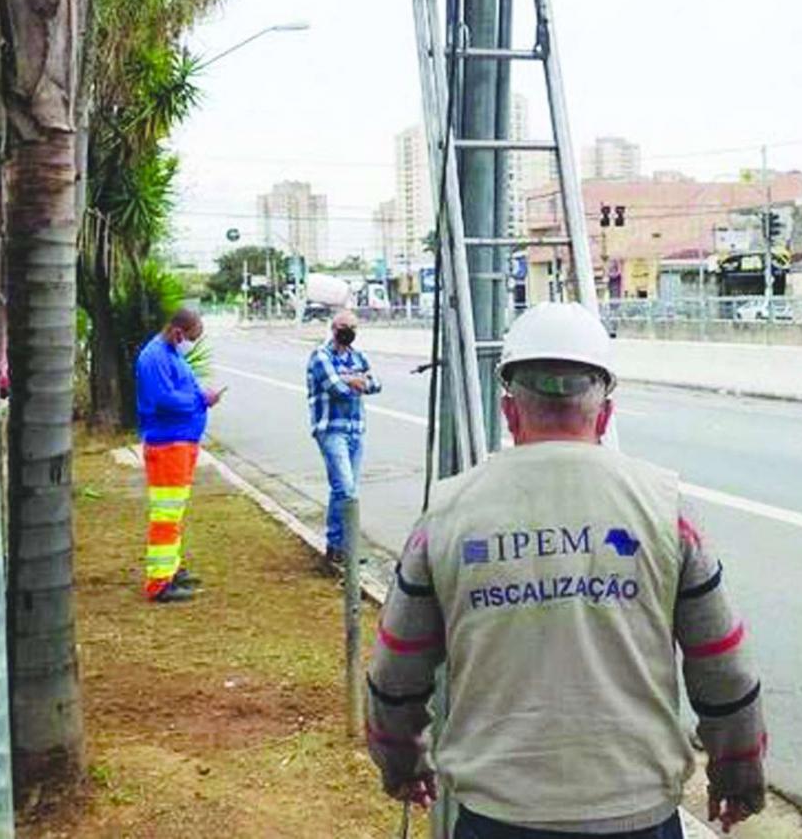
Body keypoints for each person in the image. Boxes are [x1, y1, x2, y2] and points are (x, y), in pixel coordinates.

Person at [366, 302, 767, 838]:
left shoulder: (446, 516)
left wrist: (402, 763)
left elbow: (396, 674)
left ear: (510, 412)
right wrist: (736, 774)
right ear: (604, 413)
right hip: (636, 815)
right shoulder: (665, 510)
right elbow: (724, 670)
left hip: (499, 818)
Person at [135, 308, 225, 603]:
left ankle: (170, 568)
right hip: (168, 444)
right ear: (177, 332)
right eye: (191, 338)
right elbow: (163, 399)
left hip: (181, 442)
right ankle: (159, 582)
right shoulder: (155, 357)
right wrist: (201, 399)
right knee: (166, 514)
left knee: (174, 512)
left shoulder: (172, 353)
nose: (191, 343)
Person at [306, 308, 381, 566]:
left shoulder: (358, 355)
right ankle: (346, 547)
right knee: (346, 490)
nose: (348, 331)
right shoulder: (320, 355)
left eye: (353, 327)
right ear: (334, 328)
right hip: (331, 429)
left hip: (355, 429)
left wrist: (354, 380)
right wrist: (356, 381)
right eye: (343, 326)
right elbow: (336, 388)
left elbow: (377, 383)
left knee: (343, 489)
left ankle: (336, 546)